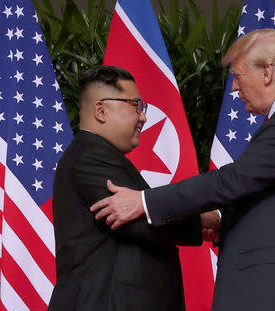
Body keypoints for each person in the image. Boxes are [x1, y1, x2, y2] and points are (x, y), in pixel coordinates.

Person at [91, 29, 275, 310]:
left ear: (266, 73)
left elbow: (233, 180)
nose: (234, 89)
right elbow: (267, 194)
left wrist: (143, 201)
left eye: (238, 76)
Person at [48, 65, 208, 311]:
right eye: (135, 105)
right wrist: (207, 220)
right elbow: (145, 221)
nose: (143, 117)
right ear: (100, 110)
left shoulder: (98, 155)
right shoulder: (90, 157)